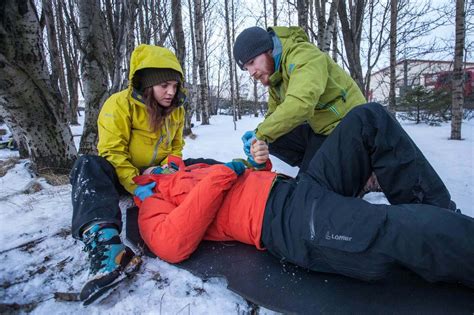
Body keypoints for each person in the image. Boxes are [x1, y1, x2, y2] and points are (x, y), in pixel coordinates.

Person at [136, 103, 473, 288]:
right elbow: (172, 244)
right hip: (287, 224)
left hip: (299, 189)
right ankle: (450, 236)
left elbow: (249, 180)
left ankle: (443, 216)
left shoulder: (190, 168)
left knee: (368, 119)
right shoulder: (152, 200)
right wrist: (226, 173)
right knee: (395, 227)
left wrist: (257, 163)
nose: (158, 160)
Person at [69, 44, 213, 303]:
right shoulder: (119, 105)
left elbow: (177, 146)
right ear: (148, 86)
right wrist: (136, 184)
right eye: (164, 86)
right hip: (123, 176)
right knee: (88, 165)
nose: (171, 92)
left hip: (158, 175)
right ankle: (108, 247)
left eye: (175, 85)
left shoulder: (176, 108)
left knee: (205, 164)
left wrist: (168, 166)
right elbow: (112, 152)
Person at [233, 26, 367, 173]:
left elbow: (301, 103)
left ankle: (349, 172)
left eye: (252, 62)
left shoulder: (303, 54)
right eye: (246, 69)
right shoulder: (276, 77)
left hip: (348, 128)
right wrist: (257, 140)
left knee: (309, 188)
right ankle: (318, 166)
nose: (251, 73)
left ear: (268, 49)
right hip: (321, 130)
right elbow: (274, 116)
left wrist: (261, 133)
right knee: (274, 136)